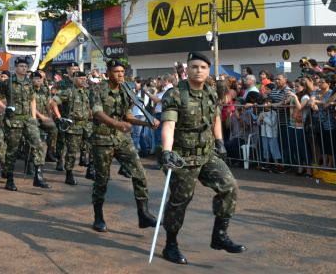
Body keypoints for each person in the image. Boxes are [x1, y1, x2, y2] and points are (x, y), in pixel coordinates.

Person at [160, 51, 245, 264]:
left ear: (208, 71)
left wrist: (220, 142)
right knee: (180, 201)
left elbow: (216, 117)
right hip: (183, 158)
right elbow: (169, 125)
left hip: (207, 154)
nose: (199, 70)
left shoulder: (210, 92)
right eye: (195, 67)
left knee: (229, 186)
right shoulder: (175, 94)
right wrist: (167, 152)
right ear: (187, 70)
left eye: (203, 67)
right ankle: (170, 245)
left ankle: (220, 236)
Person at [89, 58, 160, 233]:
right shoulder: (98, 89)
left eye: (122, 72)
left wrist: (147, 123)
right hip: (102, 140)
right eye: (116, 72)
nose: (120, 75)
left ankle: (143, 213)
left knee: (140, 173)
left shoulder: (126, 91)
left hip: (122, 139)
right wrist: (116, 123)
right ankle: (98, 217)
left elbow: (128, 116)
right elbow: (97, 113)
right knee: (101, 180)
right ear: (108, 73)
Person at [0, 57, 51, 191]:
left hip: (28, 120)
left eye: (26, 67)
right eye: (21, 66)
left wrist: (33, 117)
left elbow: (33, 100)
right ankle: (9, 179)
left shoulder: (30, 83)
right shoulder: (7, 83)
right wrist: (4, 108)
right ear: (15, 68)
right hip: (13, 121)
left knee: (37, 144)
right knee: (12, 151)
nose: (24, 69)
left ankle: (38, 177)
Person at [49, 70, 92, 185]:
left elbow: (91, 106)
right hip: (73, 127)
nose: (83, 80)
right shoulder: (69, 92)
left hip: (86, 126)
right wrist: (59, 117)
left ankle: (90, 170)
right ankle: (69, 174)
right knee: (72, 152)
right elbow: (53, 102)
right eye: (80, 78)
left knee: (93, 147)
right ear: (73, 79)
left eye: (85, 78)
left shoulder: (86, 92)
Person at [257, 97, 282, 172]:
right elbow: (258, 122)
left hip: (272, 134)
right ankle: (267, 163)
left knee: (274, 148)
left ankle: (276, 164)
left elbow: (272, 123)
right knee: (266, 148)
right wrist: (261, 119)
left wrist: (264, 118)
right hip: (264, 134)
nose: (265, 104)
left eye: (267, 103)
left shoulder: (273, 113)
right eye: (264, 103)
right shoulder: (262, 113)